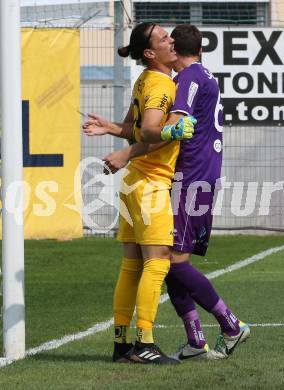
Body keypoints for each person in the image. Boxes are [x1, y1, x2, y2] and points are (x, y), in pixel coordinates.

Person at [100, 24, 250, 361]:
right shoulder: (176, 80)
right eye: (161, 37)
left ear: (176, 49)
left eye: (169, 37)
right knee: (165, 261)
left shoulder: (175, 81)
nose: (167, 39)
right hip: (175, 179)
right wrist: (118, 132)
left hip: (183, 178)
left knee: (163, 262)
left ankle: (223, 326)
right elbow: (155, 130)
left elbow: (158, 131)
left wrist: (125, 151)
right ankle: (198, 336)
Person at [83, 22, 196, 365]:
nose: (171, 41)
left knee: (131, 266)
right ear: (150, 53)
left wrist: (111, 129)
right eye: (164, 39)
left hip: (133, 184)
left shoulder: (144, 79)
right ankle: (145, 342)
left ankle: (121, 343)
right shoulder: (161, 83)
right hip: (150, 185)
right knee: (158, 261)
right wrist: (175, 130)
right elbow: (148, 131)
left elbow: (133, 129)